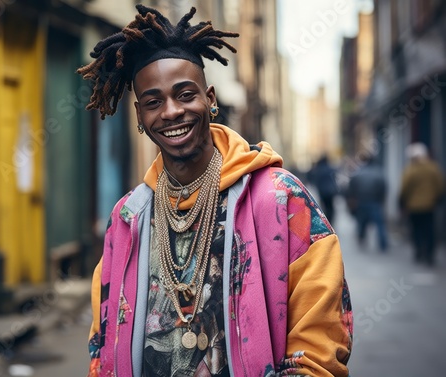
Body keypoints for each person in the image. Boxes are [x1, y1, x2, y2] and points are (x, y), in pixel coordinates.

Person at [77, 5, 352, 376]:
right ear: (140, 116)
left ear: (210, 98)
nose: (171, 112)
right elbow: (103, 338)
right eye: (154, 102)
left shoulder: (281, 200)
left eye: (185, 94)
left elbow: (322, 340)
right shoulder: (128, 217)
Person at [399, 143, 444, 266]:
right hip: (430, 205)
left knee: (416, 230)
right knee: (429, 230)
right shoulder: (433, 168)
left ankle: (419, 251)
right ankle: (430, 254)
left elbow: (405, 188)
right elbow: (440, 185)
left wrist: (402, 201)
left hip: (414, 206)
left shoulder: (410, 170)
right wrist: (437, 198)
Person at [347, 154, 388, 252]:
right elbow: (383, 187)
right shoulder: (379, 173)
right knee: (380, 224)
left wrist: (353, 199)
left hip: (362, 201)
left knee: (362, 222)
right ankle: (383, 244)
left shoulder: (359, 172)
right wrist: (381, 200)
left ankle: (361, 239)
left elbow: (352, 187)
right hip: (374, 201)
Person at [308, 154, 339, 223]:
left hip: (322, 191)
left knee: (324, 207)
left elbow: (315, 180)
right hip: (330, 191)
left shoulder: (318, 170)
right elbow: (334, 179)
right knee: (331, 207)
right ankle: (330, 221)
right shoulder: (330, 168)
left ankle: (326, 220)